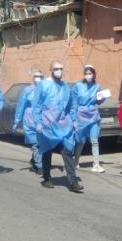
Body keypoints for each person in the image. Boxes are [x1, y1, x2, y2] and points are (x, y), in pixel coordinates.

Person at [32, 61, 83, 193]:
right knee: (47, 151)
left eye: (61, 68)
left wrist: (74, 120)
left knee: (67, 151)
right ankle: (47, 178)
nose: (59, 71)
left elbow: (72, 105)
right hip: (47, 124)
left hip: (63, 125)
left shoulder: (65, 86)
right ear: (50, 70)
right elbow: (36, 105)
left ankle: (73, 182)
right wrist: (37, 122)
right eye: (56, 69)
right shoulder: (43, 85)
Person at [72, 65, 107, 173]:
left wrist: (103, 98)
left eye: (90, 73)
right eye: (86, 74)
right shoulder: (78, 86)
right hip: (81, 115)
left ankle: (96, 164)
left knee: (94, 140)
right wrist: (73, 119)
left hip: (93, 115)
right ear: (84, 75)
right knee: (80, 141)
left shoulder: (97, 86)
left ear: (94, 74)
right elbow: (74, 103)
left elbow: (98, 101)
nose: (88, 76)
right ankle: (76, 160)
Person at [12, 70, 44, 174]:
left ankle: (34, 160)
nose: (38, 78)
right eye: (36, 76)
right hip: (29, 120)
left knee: (41, 143)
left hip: (41, 120)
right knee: (36, 144)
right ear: (33, 77)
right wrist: (17, 121)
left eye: (40, 76)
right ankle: (39, 166)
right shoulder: (27, 90)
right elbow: (21, 105)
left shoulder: (45, 90)